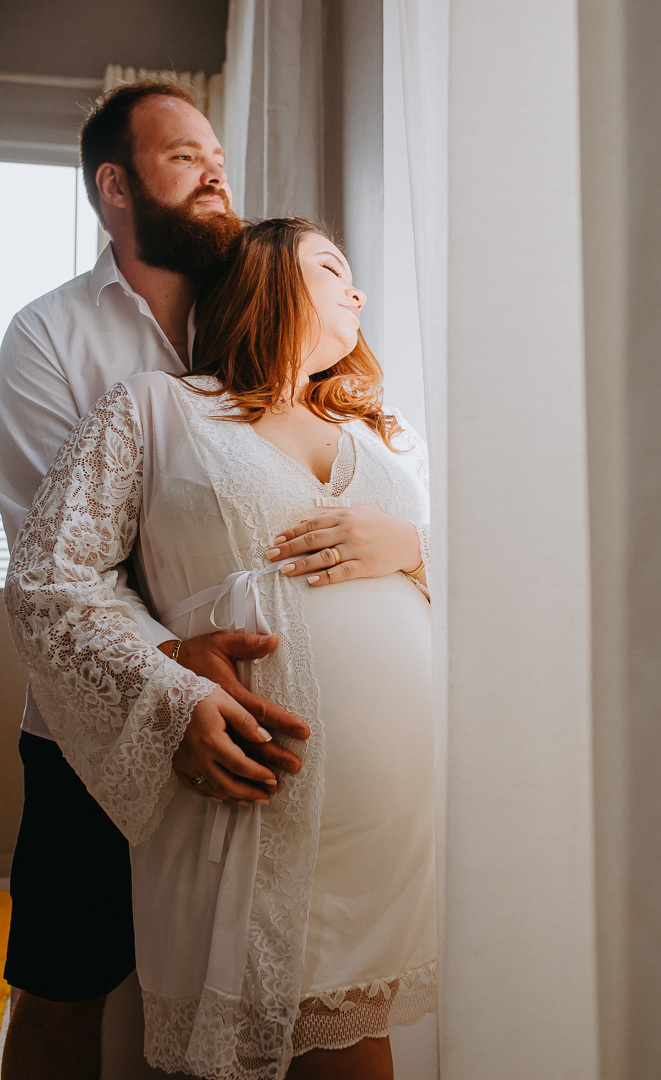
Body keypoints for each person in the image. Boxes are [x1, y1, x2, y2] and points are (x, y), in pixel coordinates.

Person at [5, 218, 437, 1080]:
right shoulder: (157, 407)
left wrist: (416, 547)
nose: (357, 293)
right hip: (247, 789)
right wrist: (170, 686)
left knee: (358, 1043)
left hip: (392, 825)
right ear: (267, 282)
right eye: (330, 269)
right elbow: (54, 576)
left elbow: (508, 597)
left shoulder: (382, 443)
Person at [0, 80, 311, 1080]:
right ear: (115, 186)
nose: (215, 170)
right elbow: (54, 553)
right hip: (86, 738)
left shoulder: (270, 313)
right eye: (183, 157)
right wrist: (173, 667)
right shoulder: (49, 338)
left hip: (268, 718)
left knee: (269, 999)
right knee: (61, 995)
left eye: (216, 152)